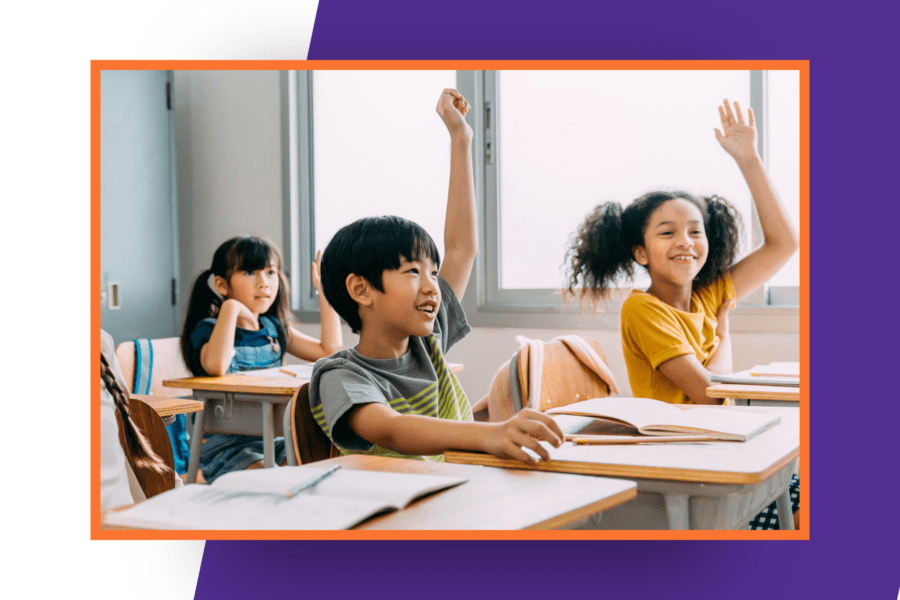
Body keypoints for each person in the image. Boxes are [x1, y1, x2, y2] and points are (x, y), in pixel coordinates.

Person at [566, 99, 800, 528]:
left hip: (714, 443)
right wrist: (724, 332)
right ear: (641, 252)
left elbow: (784, 244)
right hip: (679, 462)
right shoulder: (642, 309)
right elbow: (709, 392)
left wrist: (748, 160)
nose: (686, 241)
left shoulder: (710, 293)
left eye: (696, 230)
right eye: (667, 232)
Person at [309, 89, 563, 466]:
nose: (432, 285)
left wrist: (461, 139)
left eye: (432, 270)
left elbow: (461, 249)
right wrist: (490, 434)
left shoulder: (426, 344)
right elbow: (392, 428)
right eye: (413, 271)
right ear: (361, 289)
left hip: (452, 494)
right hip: (395, 514)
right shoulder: (339, 374)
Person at [181, 236, 342, 482]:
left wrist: (326, 291)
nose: (263, 282)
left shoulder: (274, 328)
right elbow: (215, 366)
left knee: (315, 472)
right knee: (271, 483)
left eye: (270, 272)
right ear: (222, 285)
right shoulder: (209, 329)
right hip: (228, 449)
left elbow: (330, 351)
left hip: (277, 439)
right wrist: (231, 309)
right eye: (249, 272)